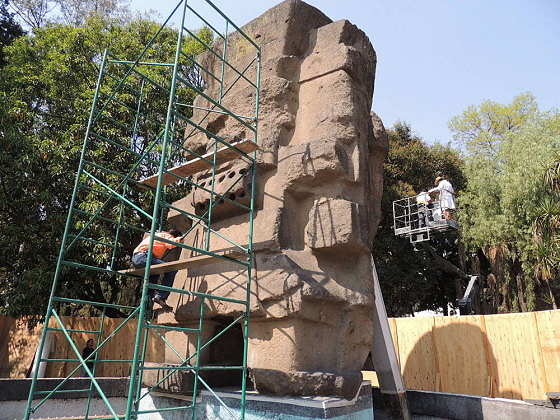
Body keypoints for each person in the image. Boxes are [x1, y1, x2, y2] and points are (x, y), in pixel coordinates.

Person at [132, 229, 182, 310]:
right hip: (145, 257)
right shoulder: (166, 235)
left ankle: (147, 305)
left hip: (137, 258)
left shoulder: (156, 235)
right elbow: (171, 243)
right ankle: (160, 296)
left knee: (153, 278)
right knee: (170, 269)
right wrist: (180, 239)